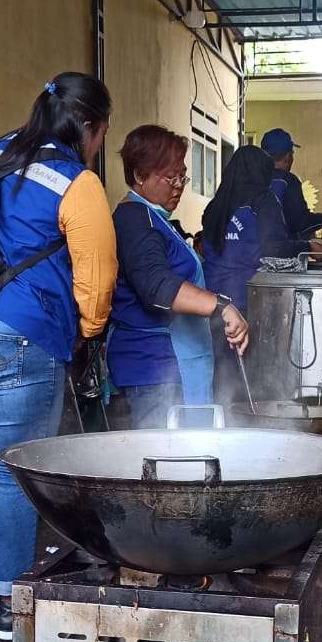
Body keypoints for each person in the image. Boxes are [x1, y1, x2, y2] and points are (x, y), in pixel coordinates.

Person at [0, 73, 117, 639]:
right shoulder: (74, 180)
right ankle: (13, 604)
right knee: (10, 471)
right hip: (12, 336)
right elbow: (97, 280)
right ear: (90, 127)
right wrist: (84, 333)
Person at [107, 124, 250, 428]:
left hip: (170, 367)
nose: (179, 185)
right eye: (170, 177)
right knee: (168, 463)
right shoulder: (135, 221)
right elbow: (158, 287)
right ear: (139, 176)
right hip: (155, 371)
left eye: (182, 176)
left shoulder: (155, 219)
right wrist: (222, 306)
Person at [202, 145, 322, 403]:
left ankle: (222, 424)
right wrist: (308, 247)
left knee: (221, 376)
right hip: (247, 302)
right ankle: (247, 427)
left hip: (212, 302)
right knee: (249, 378)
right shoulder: (262, 201)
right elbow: (275, 248)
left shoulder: (216, 206)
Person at [261, 128, 322, 239]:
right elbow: (301, 223)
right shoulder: (289, 181)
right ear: (287, 156)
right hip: (283, 251)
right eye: (292, 153)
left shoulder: (252, 178)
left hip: (251, 252)